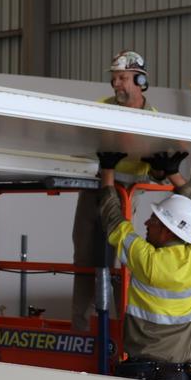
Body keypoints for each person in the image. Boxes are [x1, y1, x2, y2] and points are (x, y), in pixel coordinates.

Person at [97, 149, 191, 380]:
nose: (146, 223)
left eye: (154, 220)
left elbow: (114, 223)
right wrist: (174, 174)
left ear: (168, 230)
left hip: (146, 377)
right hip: (187, 376)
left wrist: (107, 172)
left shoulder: (150, 262)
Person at [71, 50, 159, 330]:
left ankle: (124, 329)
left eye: (122, 78)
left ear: (140, 80)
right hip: (94, 189)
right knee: (84, 258)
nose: (116, 84)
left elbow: (154, 165)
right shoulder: (101, 108)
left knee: (122, 259)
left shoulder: (154, 119)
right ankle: (80, 329)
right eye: (114, 79)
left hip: (126, 195)